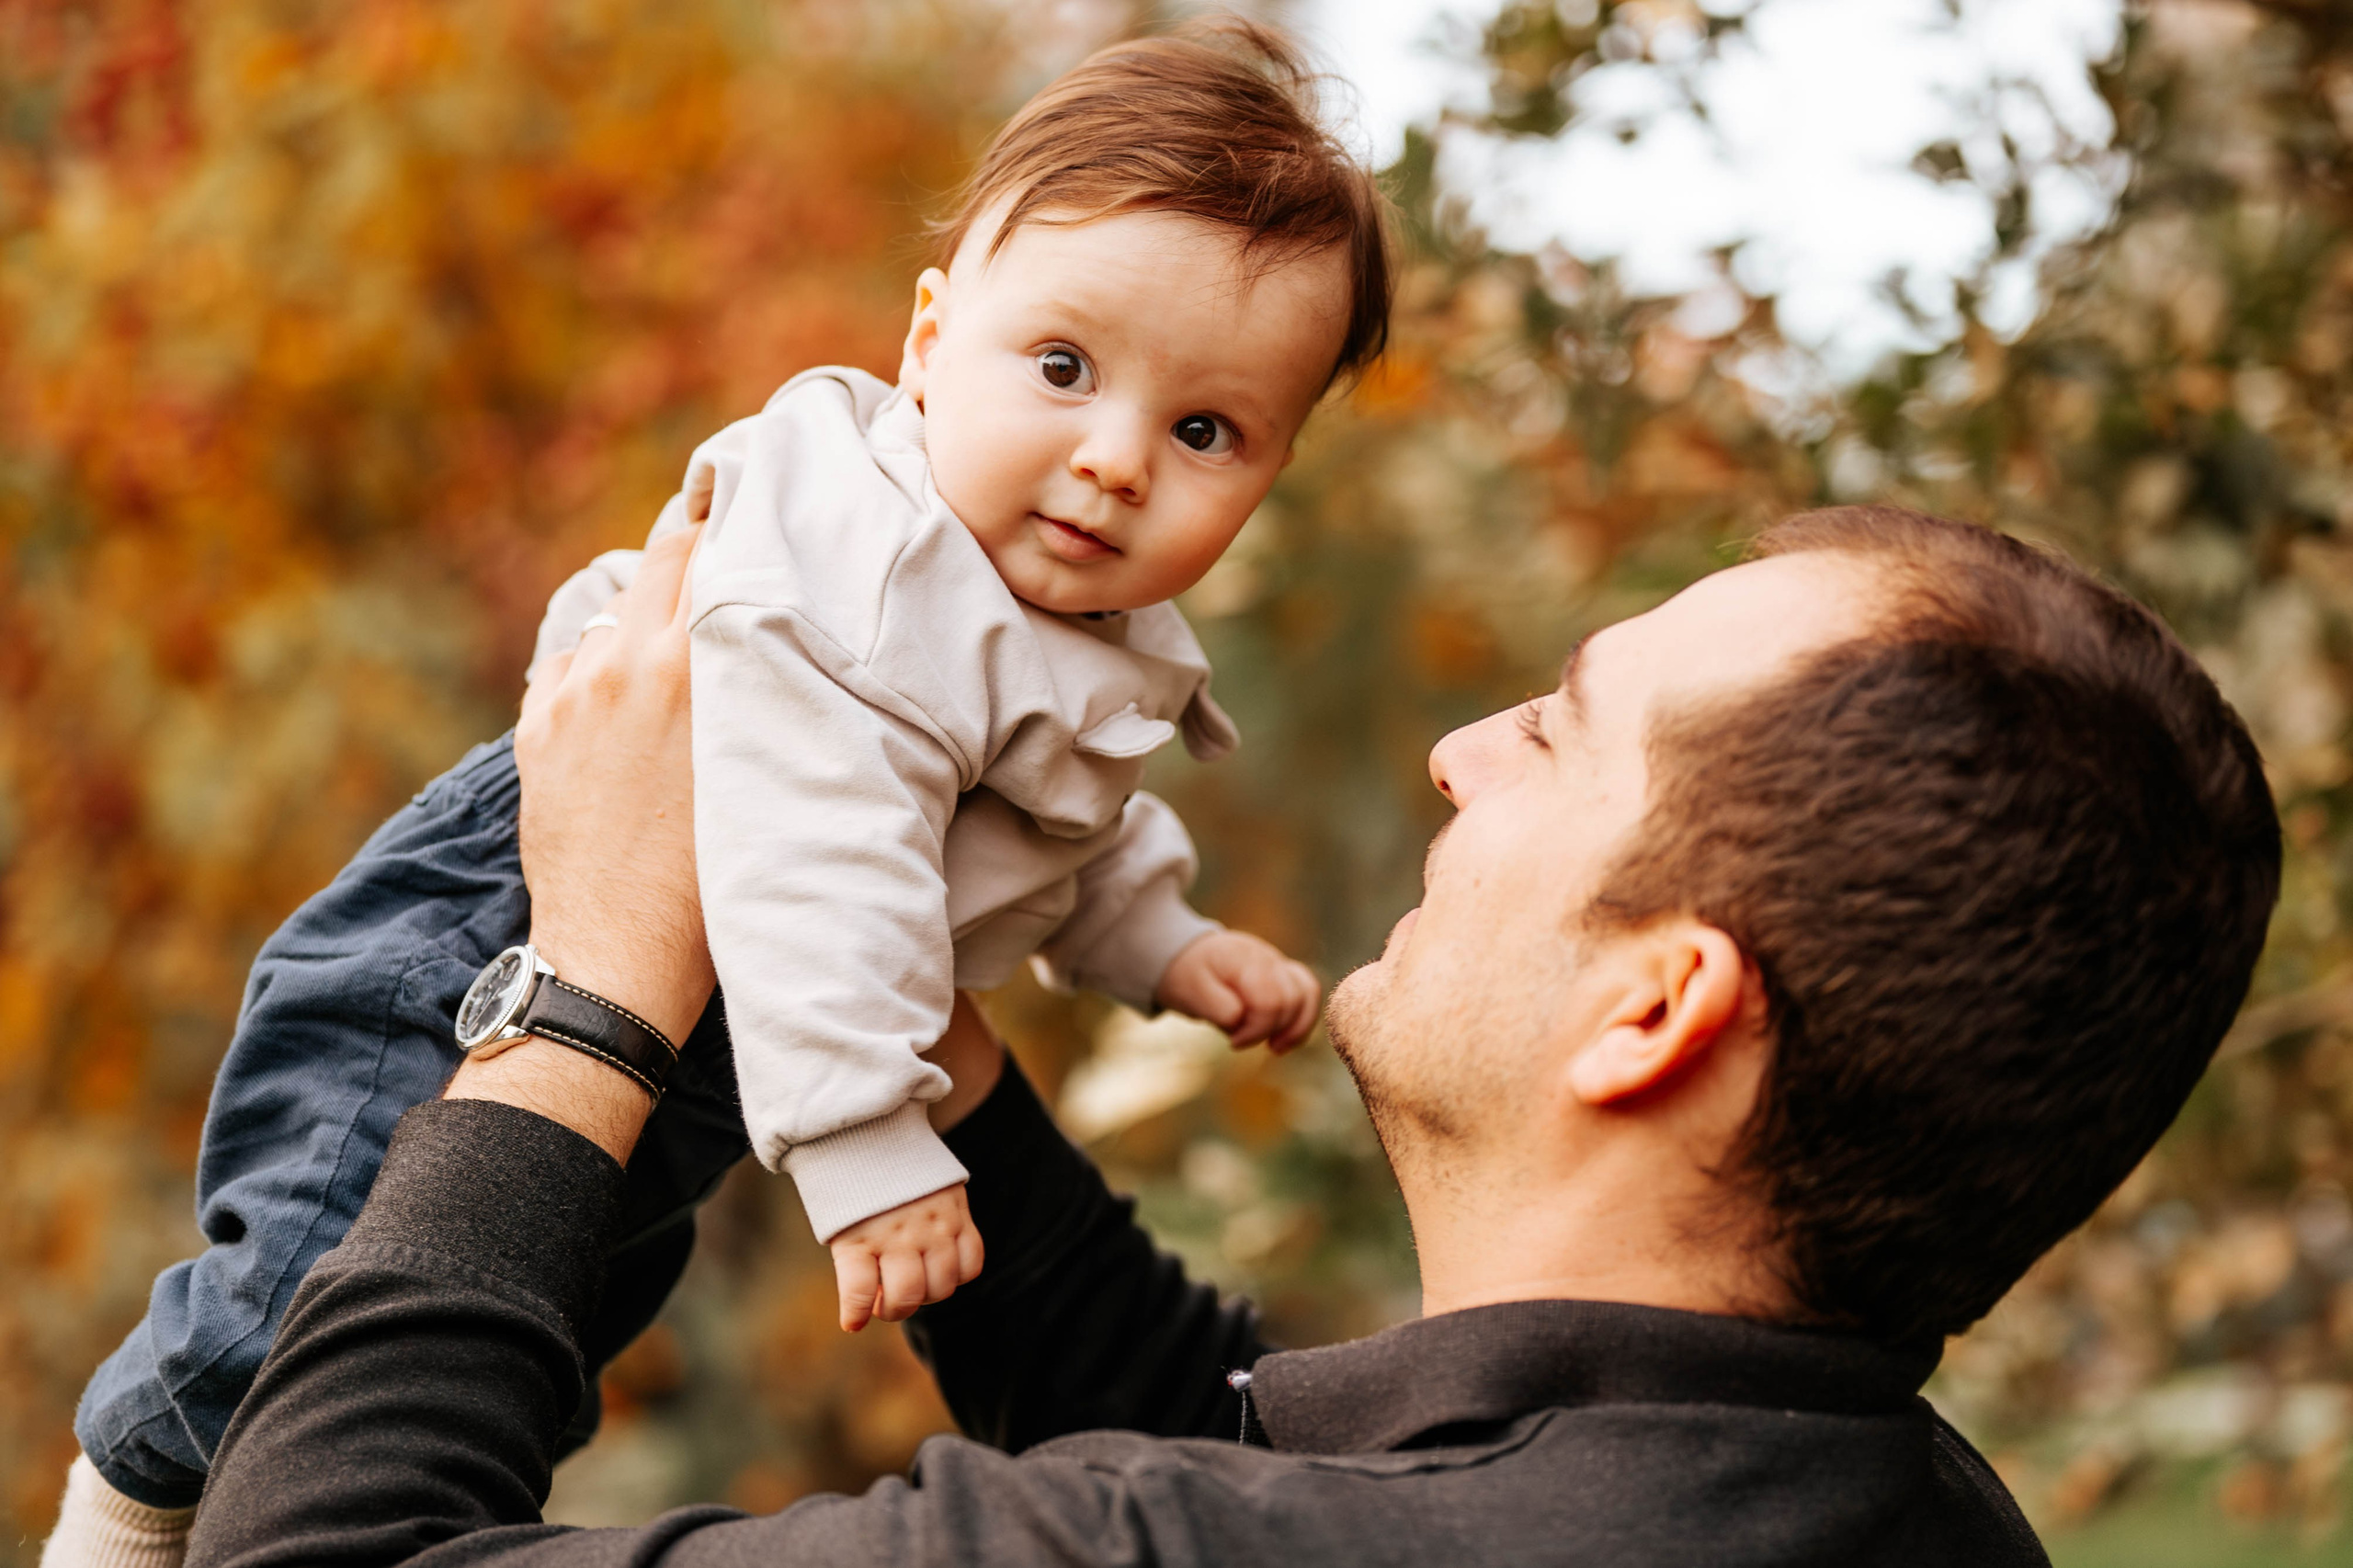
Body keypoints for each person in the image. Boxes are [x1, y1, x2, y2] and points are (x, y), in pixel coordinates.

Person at [167, 501, 2276, 1566]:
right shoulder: (1876, 1502)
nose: (1461, 753)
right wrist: (915, 1020)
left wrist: (595, 979)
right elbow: (1219, 1423)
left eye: (1553, 737)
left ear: (1656, 1010)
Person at [49, 20, 1373, 1559]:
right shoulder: (873, 571)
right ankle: (122, 1515)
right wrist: (874, 1143)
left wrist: (1159, 941)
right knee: (299, 1294)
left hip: (734, 1022)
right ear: (933, 343)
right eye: (1064, 368)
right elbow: (819, 850)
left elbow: (1059, 811)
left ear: (1269, 469)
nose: (1117, 459)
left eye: (1203, 430)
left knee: (543, 1327)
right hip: (515, 916)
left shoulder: (1080, 624)